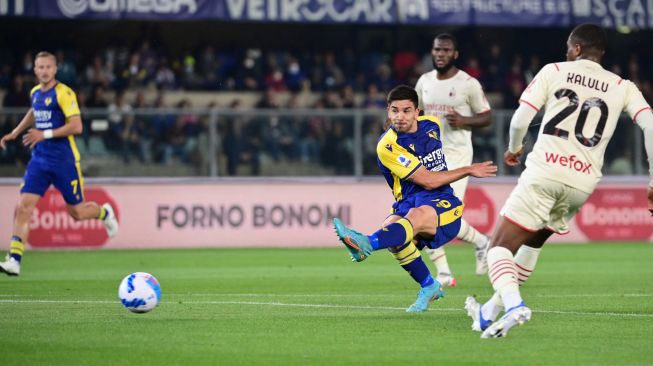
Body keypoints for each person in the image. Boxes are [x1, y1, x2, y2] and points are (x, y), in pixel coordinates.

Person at [464, 24, 653, 338]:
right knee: (534, 241)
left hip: (545, 172)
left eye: (569, 47)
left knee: (498, 248)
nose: (567, 52)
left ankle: (514, 306)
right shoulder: (623, 85)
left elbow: (521, 118)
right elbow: (650, 126)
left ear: (576, 48)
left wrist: (514, 149)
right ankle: (488, 312)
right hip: (582, 183)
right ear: (601, 53)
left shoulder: (554, 70)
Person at [332, 85, 497, 312]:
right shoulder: (387, 146)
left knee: (413, 217)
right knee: (390, 227)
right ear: (388, 112)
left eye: (406, 110)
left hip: (441, 201)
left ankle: (367, 244)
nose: (400, 117)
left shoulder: (432, 125)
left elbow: (432, 183)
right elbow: (427, 179)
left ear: (417, 111)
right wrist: (468, 169)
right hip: (409, 200)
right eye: (395, 111)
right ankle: (429, 286)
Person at [0, 51, 119, 276]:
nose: (44, 71)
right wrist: (15, 132)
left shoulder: (64, 93)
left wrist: (43, 134)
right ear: (34, 70)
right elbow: (34, 111)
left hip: (64, 161)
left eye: (48, 67)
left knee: (77, 213)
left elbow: (77, 126)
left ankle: (104, 213)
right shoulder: (35, 92)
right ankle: (14, 259)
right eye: (40, 67)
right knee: (24, 207)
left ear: (55, 70)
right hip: (40, 160)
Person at [415, 33, 494, 286]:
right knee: (420, 213)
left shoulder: (468, 84)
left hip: (458, 157)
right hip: (430, 157)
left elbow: (487, 116)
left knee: (443, 215)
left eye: (446, 50)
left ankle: (480, 243)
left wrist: (464, 121)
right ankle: (447, 271)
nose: (440, 54)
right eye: (437, 49)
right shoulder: (424, 82)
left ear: (455, 54)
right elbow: (416, 112)